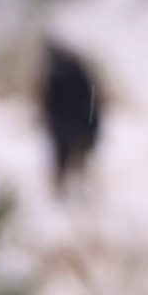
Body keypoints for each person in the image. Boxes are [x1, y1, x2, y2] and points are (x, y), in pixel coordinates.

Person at [41, 41, 103, 200]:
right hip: (75, 126)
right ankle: (71, 192)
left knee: (66, 161)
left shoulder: (57, 74)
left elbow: (49, 104)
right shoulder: (78, 72)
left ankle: (68, 192)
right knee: (77, 161)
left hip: (67, 127)